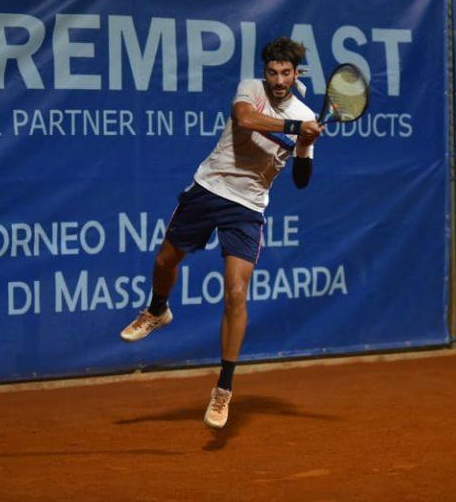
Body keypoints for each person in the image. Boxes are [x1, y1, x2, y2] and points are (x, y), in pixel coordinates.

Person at [120, 37, 323, 429]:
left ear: (296, 74)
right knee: (165, 260)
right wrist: (297, 128)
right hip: (209, 188)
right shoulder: (251, 89)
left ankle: (224, 388)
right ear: (265, 72)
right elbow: (246, 120)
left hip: (248, 207)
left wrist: (303, 146)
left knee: (235, 293)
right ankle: (158, 310)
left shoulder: (305, 112)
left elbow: (300, 180)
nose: (277, 79)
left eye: (285, 73)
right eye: (272, 72)